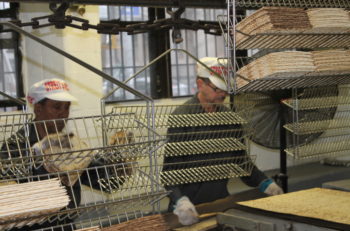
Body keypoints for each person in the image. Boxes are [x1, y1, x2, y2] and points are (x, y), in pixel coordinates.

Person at [162, 57, 283, 226]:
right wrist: (180, 201)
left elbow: (241, 161)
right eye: (217, 88)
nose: (223, 94)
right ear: (200, 84)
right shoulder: (182, 118)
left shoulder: (230, 120)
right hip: (187, 209)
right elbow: (169, 173)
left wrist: (265, 183)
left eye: (225, 89)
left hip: (219, 204)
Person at [0, 78, 109, 231]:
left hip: (63, 224)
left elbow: (102, 180)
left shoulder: (69, 145)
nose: (63, 114)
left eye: (67, 108)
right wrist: (44, 167)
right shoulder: (16, 147)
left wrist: (120, 163)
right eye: (57, 107)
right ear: (38, 108)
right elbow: (10, 197)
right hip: (30, 227)